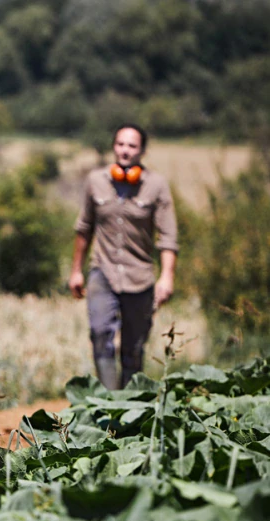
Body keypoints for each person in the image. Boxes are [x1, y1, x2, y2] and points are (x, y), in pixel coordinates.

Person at [68, 124, 178, 390]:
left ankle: (129, 408)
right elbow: (84, 228)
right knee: (99, 333)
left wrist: (166, 276)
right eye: (120, 144)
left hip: (139, 277)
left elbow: (168, 237)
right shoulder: (96, 181)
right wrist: (76, 270)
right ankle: (108, 403)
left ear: (142, 151)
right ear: (113, 147)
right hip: (102, 273)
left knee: (134, 346)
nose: (125, 151)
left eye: (132, 146)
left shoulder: (156, 185)